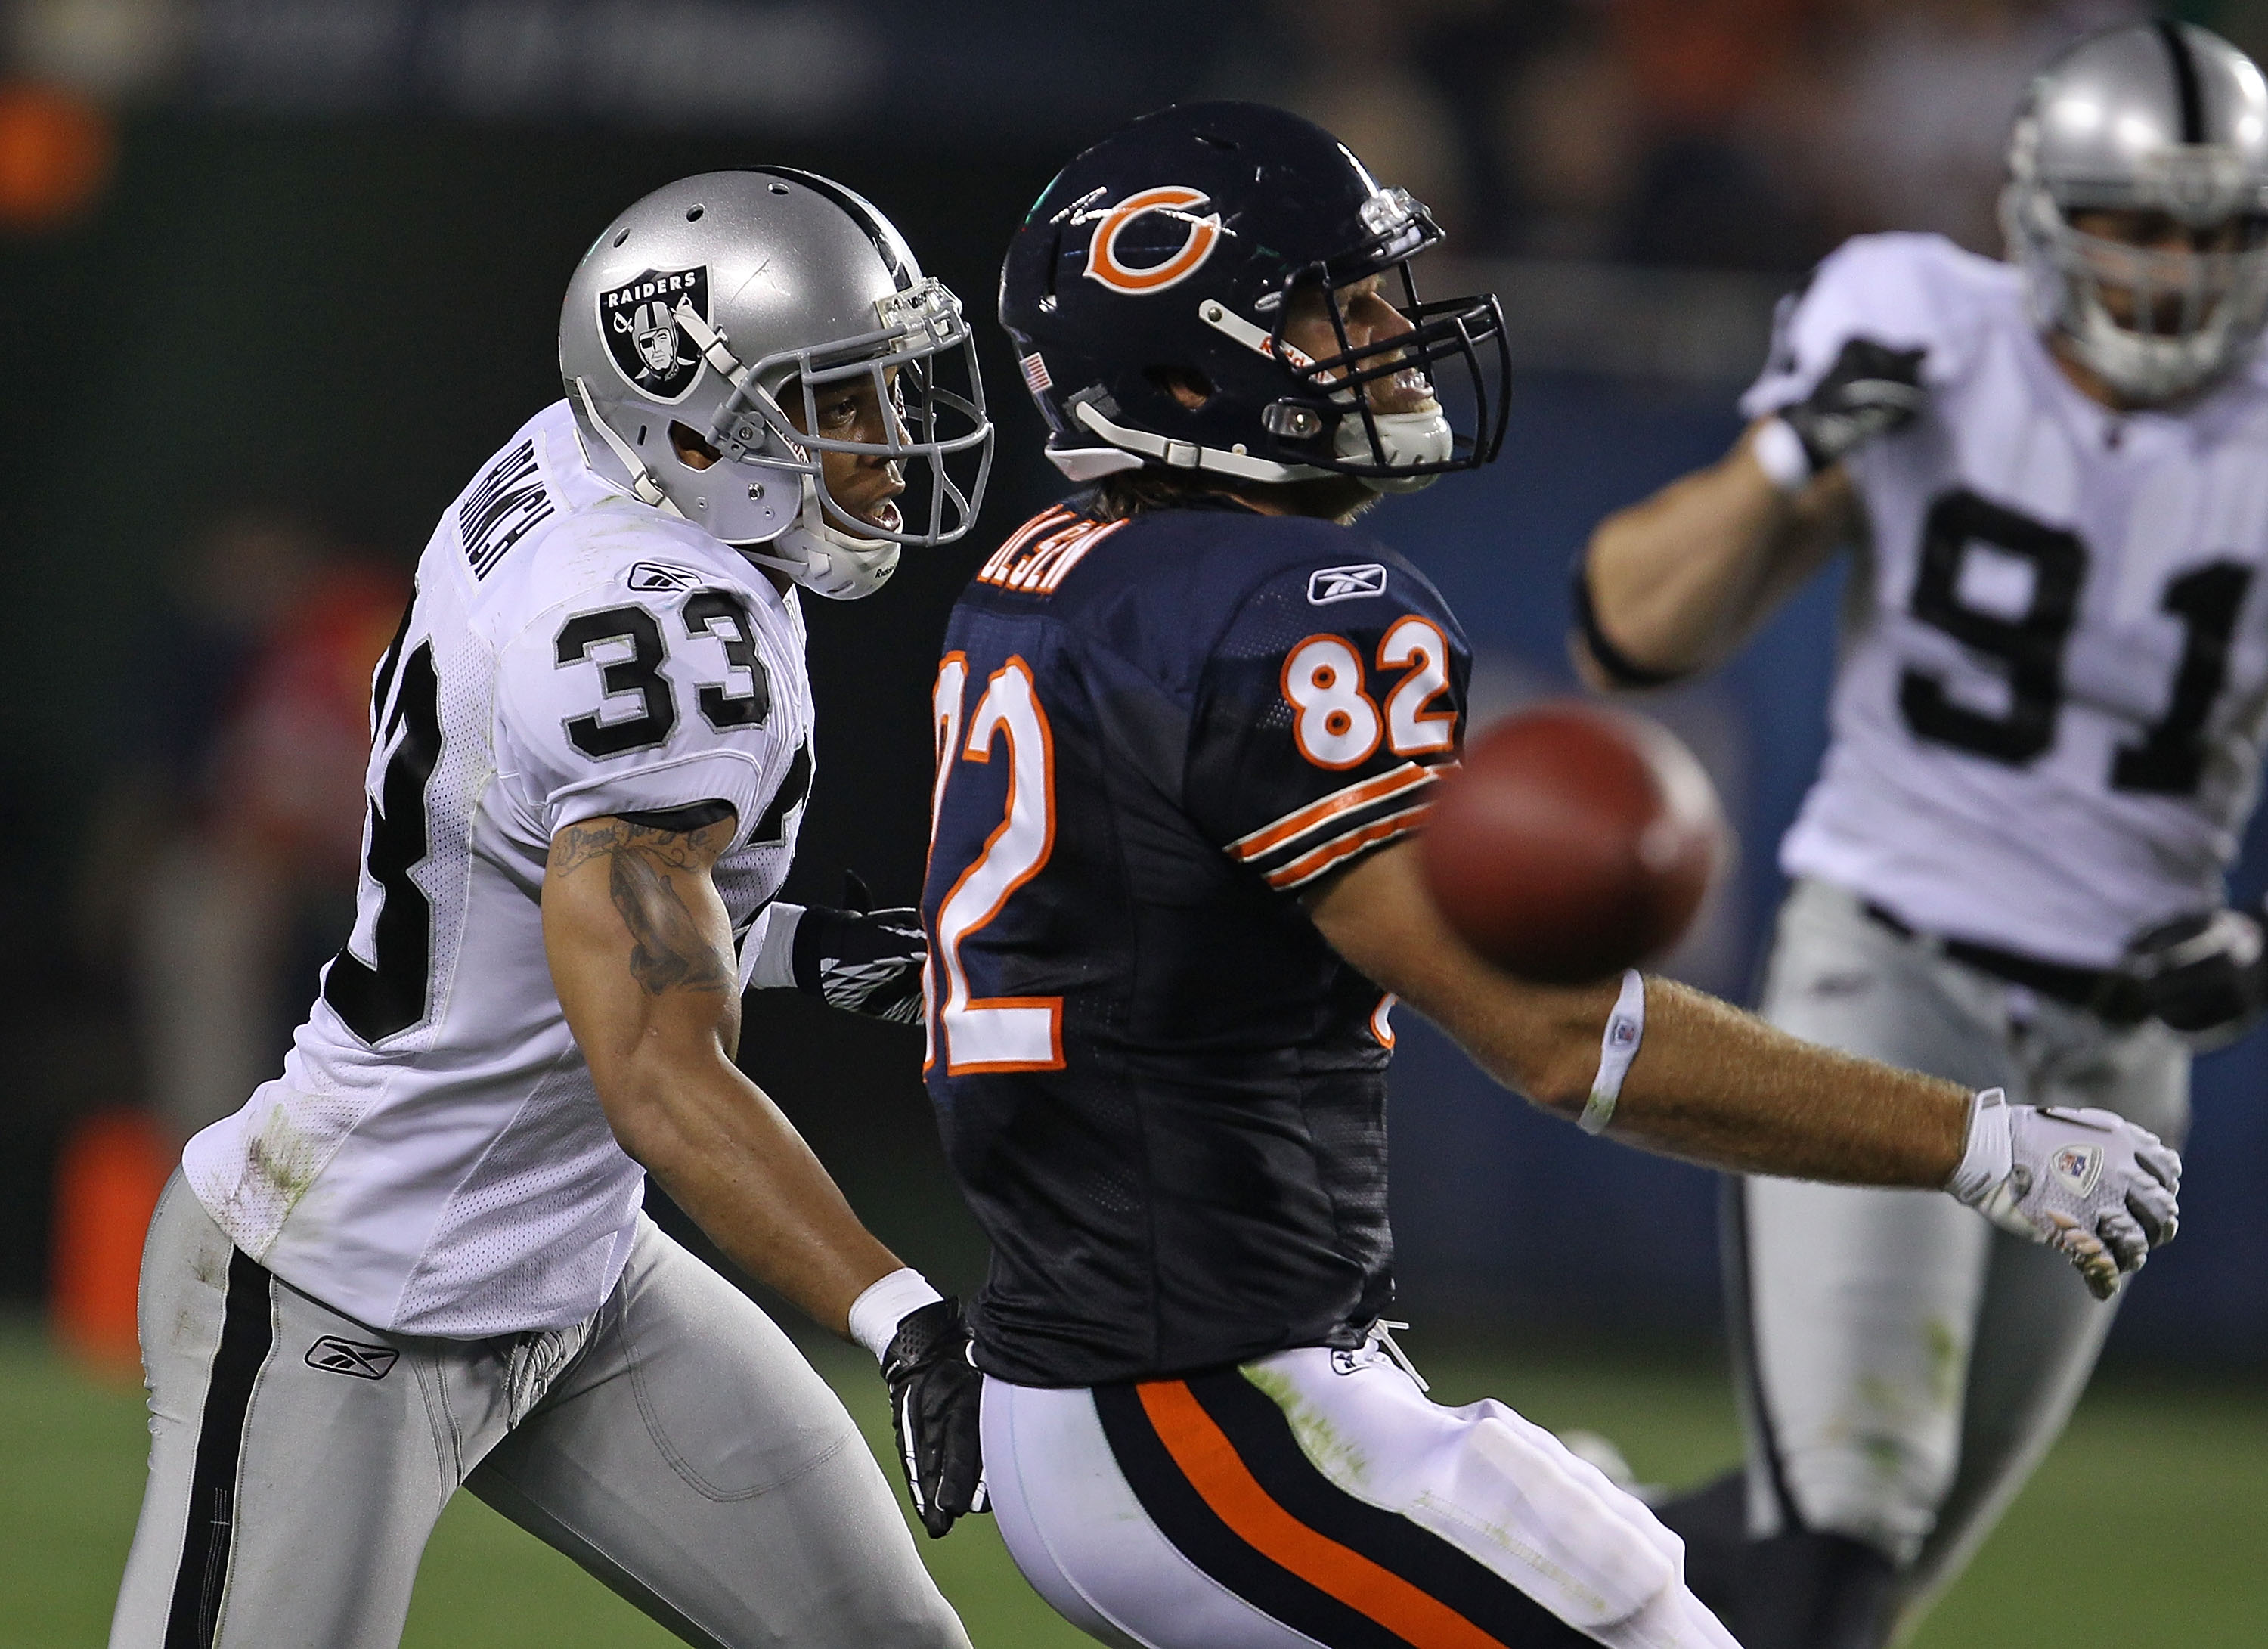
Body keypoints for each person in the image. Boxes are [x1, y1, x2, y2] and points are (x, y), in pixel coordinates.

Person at [891, 101, 2182, 1649]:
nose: (1390, 336)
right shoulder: (1299, 600)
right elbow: (1560, 1033)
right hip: (1198, 1402)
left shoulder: (1058, 570)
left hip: (1146, 1377)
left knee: (1647, 1589)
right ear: (1185, 368)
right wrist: (1977, 1140)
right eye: (1335, 307)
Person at [108, 169, 994, 1649]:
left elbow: (537, 892)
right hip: (353, 1279)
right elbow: (653, 1066)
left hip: (576, 1260)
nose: (889, 440)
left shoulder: (584, 469)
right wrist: (895, 1305)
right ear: (698, 415)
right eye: (841, 398)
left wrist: (795, 947)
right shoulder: (647, 621)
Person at [1575, 21, 2268, 1649]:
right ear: (2037, 208)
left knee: (1836, 1571)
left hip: (2120, 1044)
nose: (2173, 269)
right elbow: (1628, 630)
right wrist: (1789, 459)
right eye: (2136, 219)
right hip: (1892, 969)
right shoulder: (1914, 312)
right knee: (1842, 1531)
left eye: (2217, 228)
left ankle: (1543, 1522)